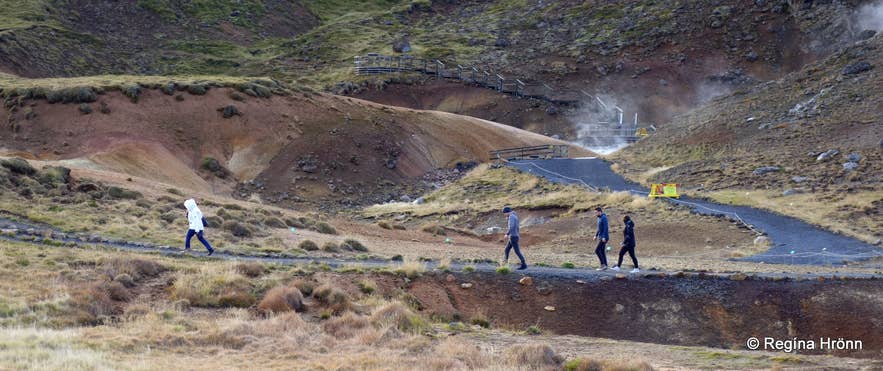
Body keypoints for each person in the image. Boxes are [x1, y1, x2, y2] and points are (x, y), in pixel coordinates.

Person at [502, 206, 527, 270]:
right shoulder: (513, 216)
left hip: (513, 236)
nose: (504, 215)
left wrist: (507, 234)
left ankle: (524, 264)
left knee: (517, 251)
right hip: (514, 236)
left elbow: (512, 226)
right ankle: (505, 264)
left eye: (504, 213)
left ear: (507, 212)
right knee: (506, 249)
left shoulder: (511, 217)